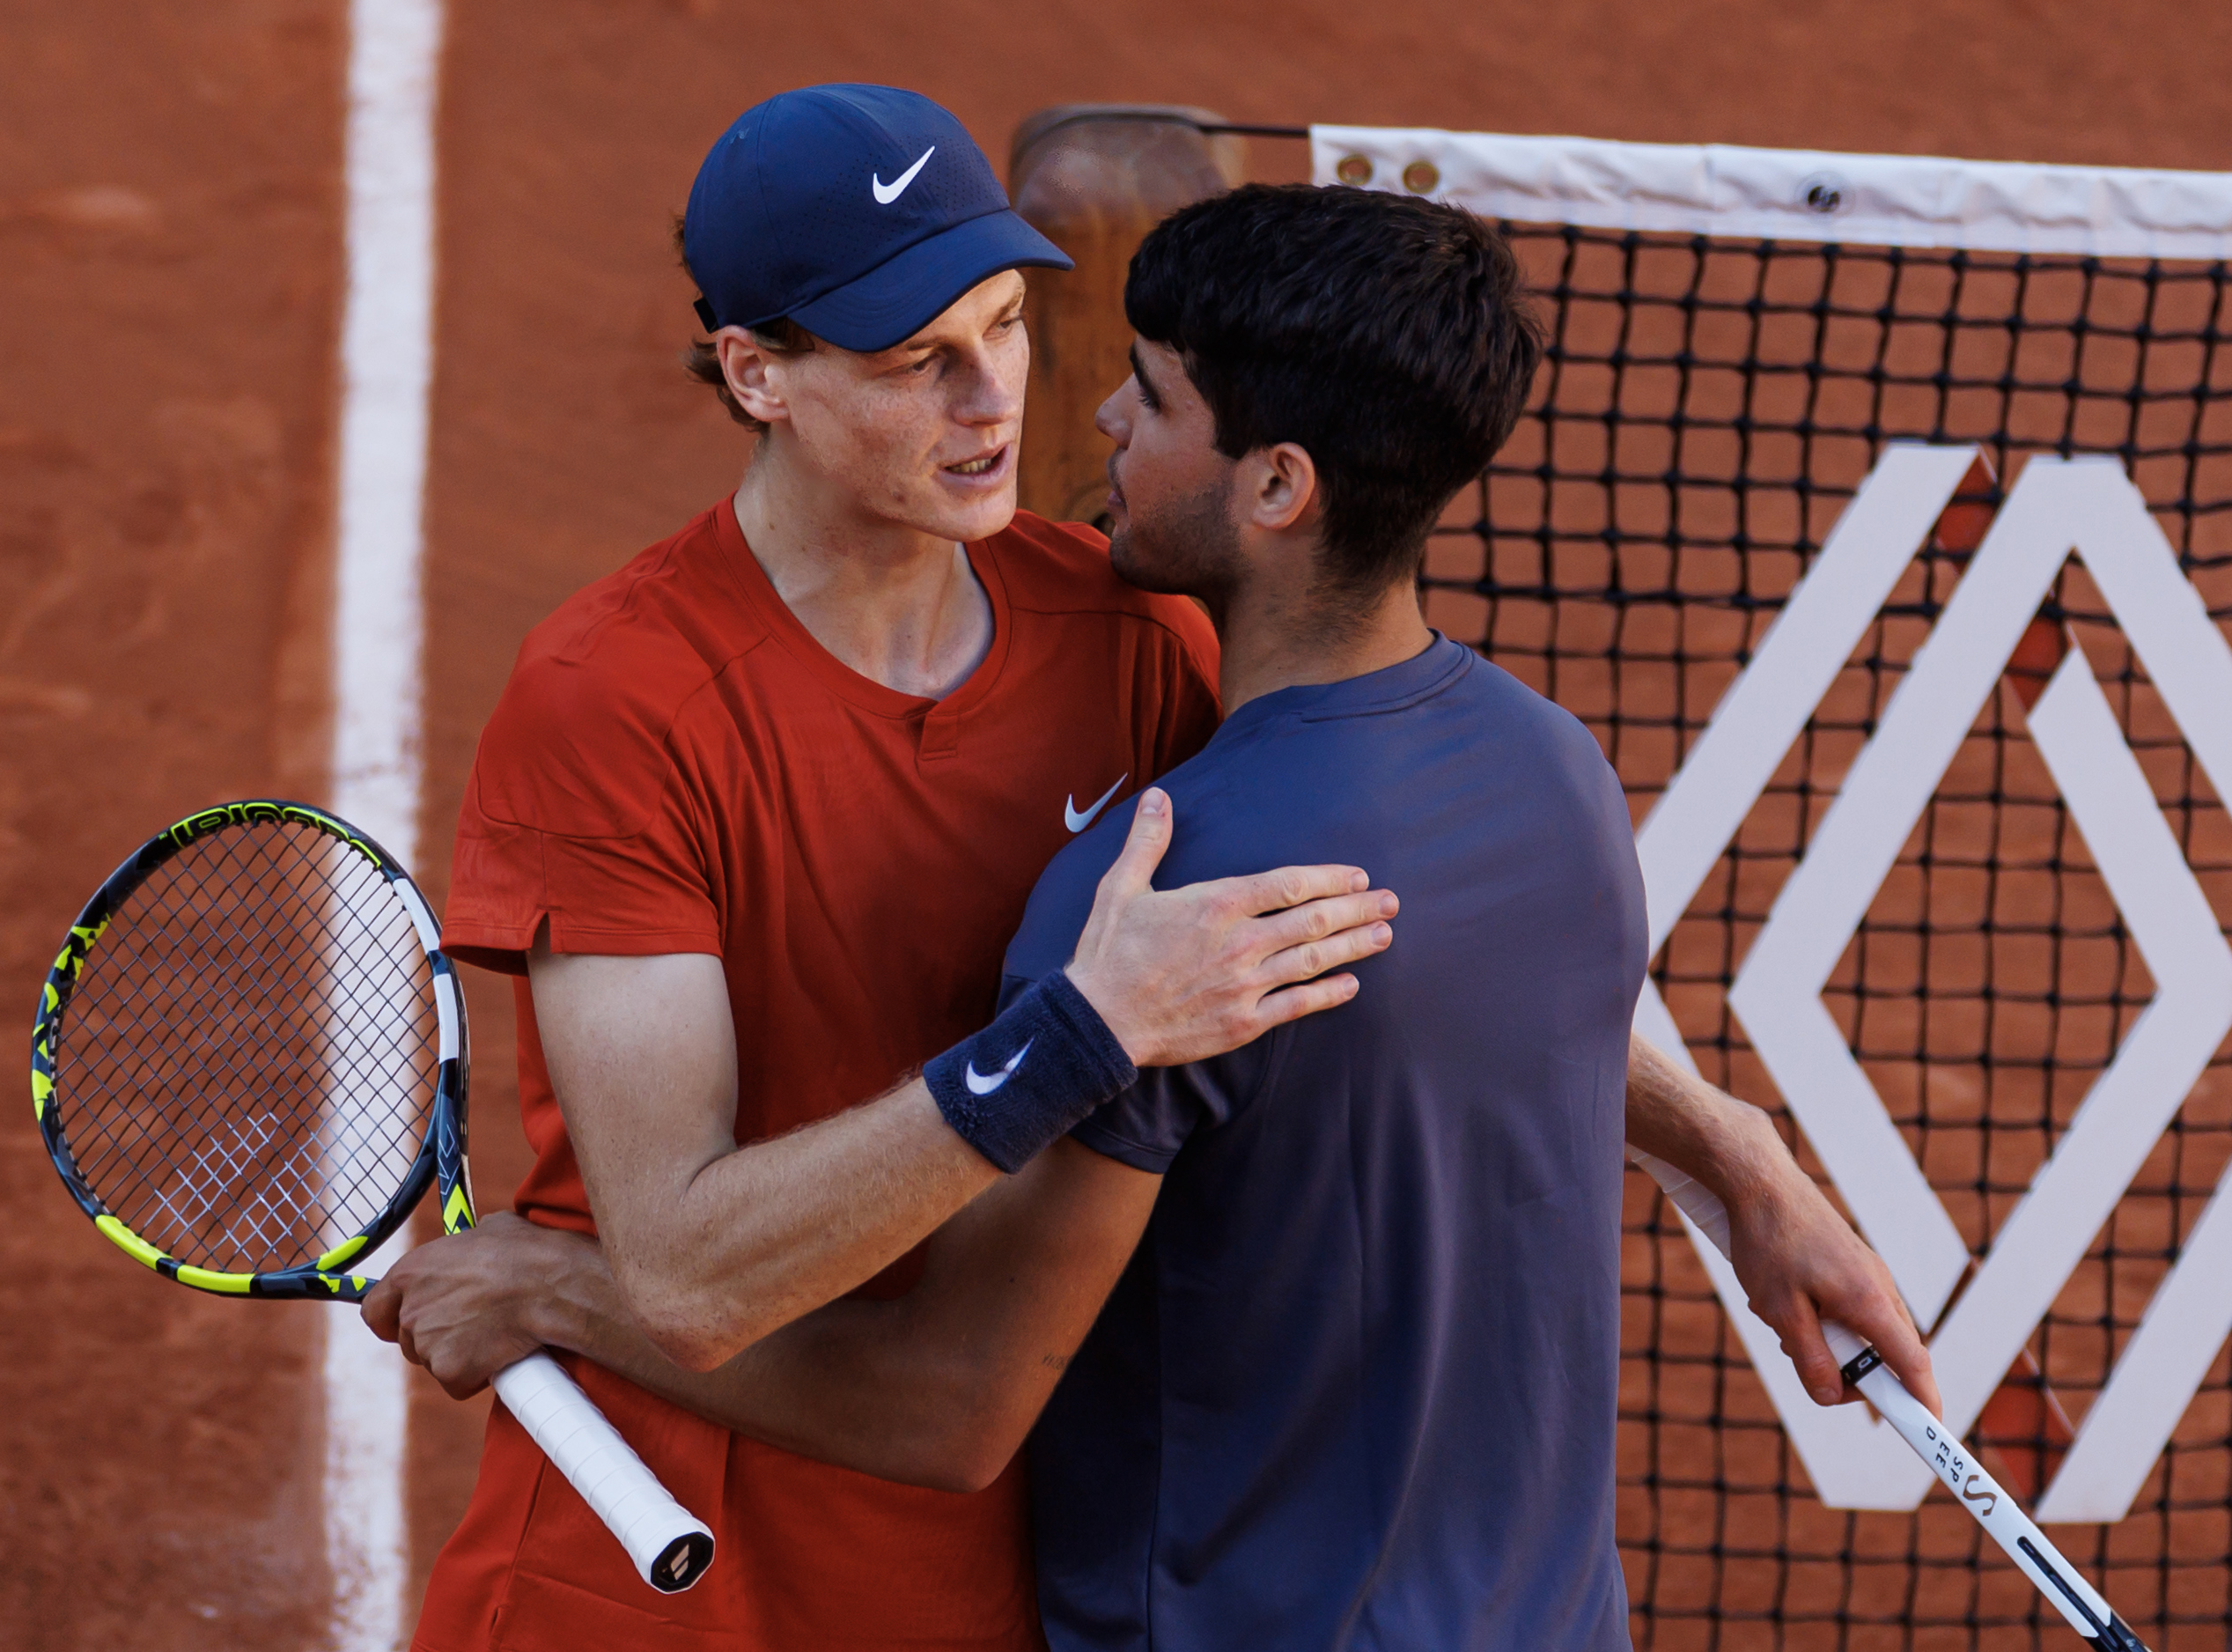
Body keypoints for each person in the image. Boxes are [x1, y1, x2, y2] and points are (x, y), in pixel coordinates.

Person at [373, 88, 1938, 1652]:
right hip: (681, 1568)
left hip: (990, 1562)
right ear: (755, 372)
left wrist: (1733, 1154)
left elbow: (1352, 945)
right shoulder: (616, 699)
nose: (997, 400)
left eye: (1006, 324)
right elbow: (688, 1274)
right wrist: (1074, 1043)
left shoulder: (1136, 632)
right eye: (920, 360)